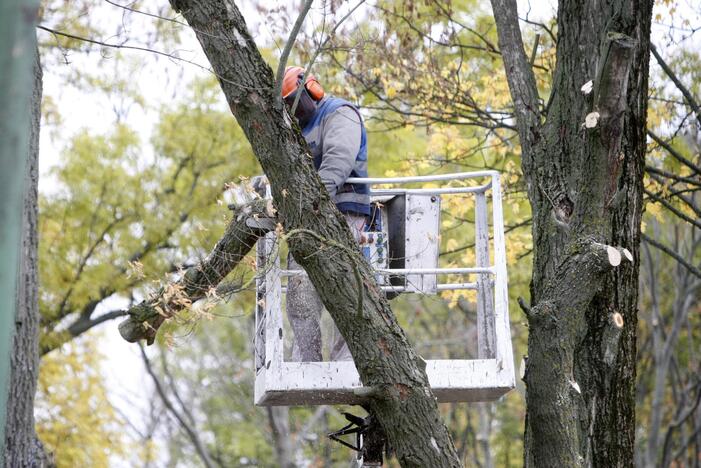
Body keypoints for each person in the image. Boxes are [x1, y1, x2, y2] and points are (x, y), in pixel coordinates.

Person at [281, 66, 370, 362]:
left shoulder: (339, 113)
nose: (294, 111)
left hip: (345, 214)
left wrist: (308, 205)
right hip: (310, 221)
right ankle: (306, 358)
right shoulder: (294, 130)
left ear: (312, 89)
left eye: (296, 101)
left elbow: (337, 164)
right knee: (299, 290)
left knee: (345, 289)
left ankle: (350, 360)